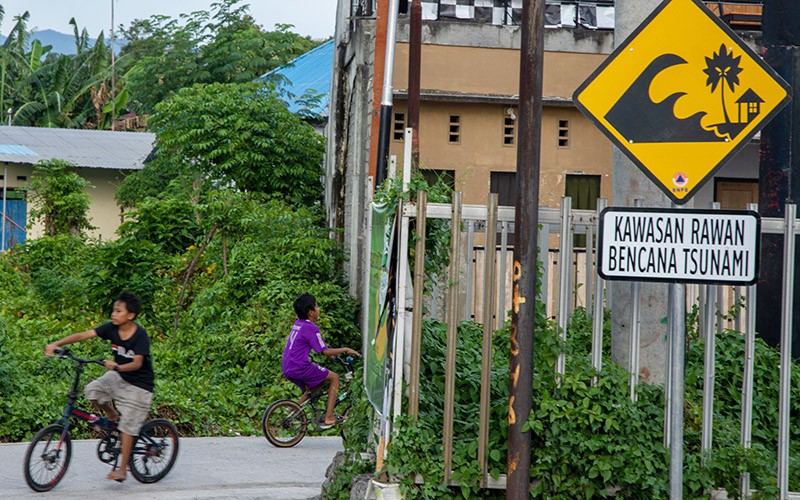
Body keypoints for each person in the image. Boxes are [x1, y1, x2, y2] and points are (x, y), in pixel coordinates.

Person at [44, 291, 153, 483]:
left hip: (140, 385)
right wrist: (56, 343)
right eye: (113, 310)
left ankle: (122, 470)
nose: (113, 314)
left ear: (130, 315)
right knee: (92, 390)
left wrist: (117, 366)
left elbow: (137, 363)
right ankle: (111, 414)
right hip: (118, 376)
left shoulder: (140, 335)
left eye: (118, 311)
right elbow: (84, 334)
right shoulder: (111, 328)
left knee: (128, 426)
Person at [282, 293, 360, 429]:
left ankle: (295, 408)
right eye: (316, 306)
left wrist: (330, 354)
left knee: (318, 383)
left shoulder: (299, 324)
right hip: (299, 366)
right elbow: (324, 351)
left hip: (288, 366)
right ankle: (329, 417)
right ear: (311, 312)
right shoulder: (311, 328)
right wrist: (345, 349)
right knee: (335, 377)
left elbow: (317, 347)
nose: (318, 309)